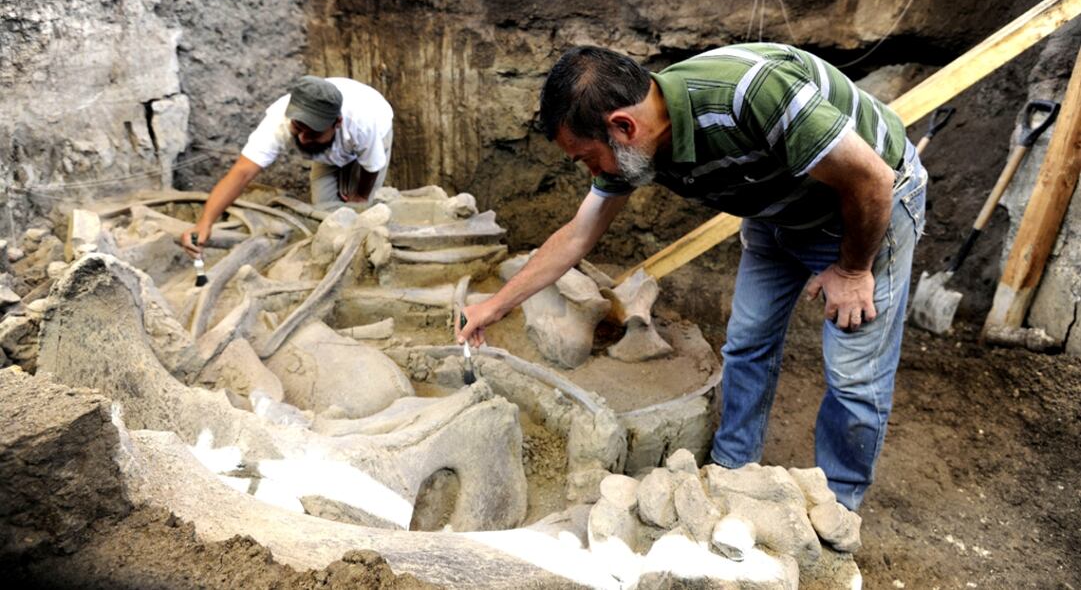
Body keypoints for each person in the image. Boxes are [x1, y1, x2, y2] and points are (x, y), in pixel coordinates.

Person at [457, 43, 927, 511]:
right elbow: (578, 236)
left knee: (853, 376)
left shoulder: (750, 94)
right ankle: (731, 469)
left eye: (586, 157)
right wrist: (494, 307)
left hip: (867, 206)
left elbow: (871, 179)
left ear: (623, 126)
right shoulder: (635, 143)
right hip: (774, 209)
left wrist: (852, 268)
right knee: (747, 344)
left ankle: (836, 510)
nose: (592, 171)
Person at [181, 75, 393, 257]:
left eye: (313, 132)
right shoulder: (279, 119)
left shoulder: (364, 123)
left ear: (336, 123)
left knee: (360, 211)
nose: (303, 138)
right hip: (329, 149)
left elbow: (371, 167)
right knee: (323, 210)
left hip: (372, 131)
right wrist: (205, 222)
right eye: (298, 127)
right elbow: (242, 173)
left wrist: (360, 196)